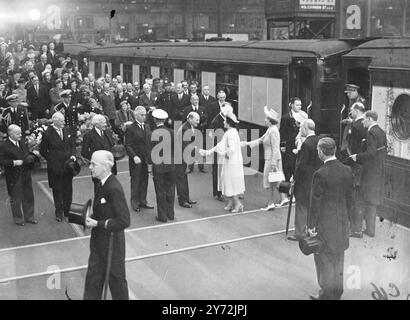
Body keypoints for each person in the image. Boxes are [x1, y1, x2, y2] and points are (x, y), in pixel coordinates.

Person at [307, 137, 354, 300]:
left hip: (325, 225)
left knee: (324, 260)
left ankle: (326, 295)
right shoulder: (347, 170)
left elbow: (316, 203)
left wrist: (311, 226)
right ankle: (337, 293)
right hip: (342, 222)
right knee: (339, 259)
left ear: (321, 151)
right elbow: (351, 199)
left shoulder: (320, 174)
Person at [83, 150, 130, 300]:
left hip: (112, 243)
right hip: (98, 242)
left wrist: (98, 223)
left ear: (105, 167)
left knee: (117, 282)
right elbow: (103, 210)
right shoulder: (100, 183)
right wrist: (91, 217)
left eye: (93, 164)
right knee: (93, 280)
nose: (90, 167)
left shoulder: (113, 187)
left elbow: (124, 220)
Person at [242, 106, 287, 211]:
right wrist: (246, 144)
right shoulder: (270, 130)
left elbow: (276, 148)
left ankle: (272, 202)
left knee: (270, 181)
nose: (265, 120)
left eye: (266, 119)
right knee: (275, 180)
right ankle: (283, 198)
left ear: (270, 121)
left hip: (272, 159)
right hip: (271, 158)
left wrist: (273, 163)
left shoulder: (273, 131)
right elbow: (261, 140)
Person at [199, 109, 245, 212]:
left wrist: (223, 153)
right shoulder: (229, 132)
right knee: (226, 182)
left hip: (232, 163)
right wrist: (208, 152)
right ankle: (231, 202)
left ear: (228, 123)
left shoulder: (232, 133)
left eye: (225, 121)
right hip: (228, 162)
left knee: (230, 182)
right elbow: (220, 145)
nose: (223, 122)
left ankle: (238, 204)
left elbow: (231, 148)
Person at [350, 111, 387, 238]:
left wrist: (357, 157)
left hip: (369, 172)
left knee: (359, 200)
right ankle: (371, 231)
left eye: (364, 119)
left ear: (370, 119)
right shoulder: (381, 131)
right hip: (378, 171)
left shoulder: (371, 132)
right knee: (372, 202)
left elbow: (370, 153)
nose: (362, 122)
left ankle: (357, 231)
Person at [288, 119, 321, 241]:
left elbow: (301, 165)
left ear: (306, 129)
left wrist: (294, 177)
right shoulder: (319, 141)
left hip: (305, 180)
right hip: (316, 178)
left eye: (301, 128)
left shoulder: (307, 144)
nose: (300, 130)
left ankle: (300, 233)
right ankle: (310, 228)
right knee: (312, 205)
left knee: (301, 206)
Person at [39, 112, 77, 222]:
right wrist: (52, 159)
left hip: (68, 165)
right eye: (61, 121)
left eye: (63, 120)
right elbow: (43, 150)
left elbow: (72, 145)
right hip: (55, 167)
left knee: (68, 189)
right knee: (58, 190)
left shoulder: (66, 130)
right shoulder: (47, 133)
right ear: (54, 121)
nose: (64, 122)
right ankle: (59, 212)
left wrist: (73, 155)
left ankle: (67, 210)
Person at [0, 124, 37, 226]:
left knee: (28, 196)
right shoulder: (3, 146)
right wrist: (14, 162)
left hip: (25, 173)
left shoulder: (22, 142)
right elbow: (2, 161)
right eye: (18, 133)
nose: (20, 135)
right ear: (10, 134)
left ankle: (30, 217)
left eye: (20, 132)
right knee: (16, 198)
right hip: (14, 176)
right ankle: (18, 219)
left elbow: (26, 154)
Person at [124, 106, 154, 212]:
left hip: (145, 158)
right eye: (142, 115)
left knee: (145, 180)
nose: (144, 117)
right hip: (136, 159)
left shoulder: (147, 126)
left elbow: (149, 142)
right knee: (136, 180)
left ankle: (143, 201)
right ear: (136, 115)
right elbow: (128, 145)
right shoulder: (131, 128)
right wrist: (134, 156)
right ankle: (135, 203)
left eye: (145, 115)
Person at [344, 102, 367, 238]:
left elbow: (353, 148)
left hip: (355, 165)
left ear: (357, 111)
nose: (350, 112)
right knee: (359, 197)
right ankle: (358, 227)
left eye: (351, 110)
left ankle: (355, 229)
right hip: (365, 166)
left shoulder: (357, 127)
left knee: (353, 198)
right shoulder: (365, 124)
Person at [279, 97, 308, 205]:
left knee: (296, 171)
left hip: (299, 146)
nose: (299, 107)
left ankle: (294, 194)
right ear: (291, 105)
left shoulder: (303, 117)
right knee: (286, 171)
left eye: (300, 105)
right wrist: (282, 146)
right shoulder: (286, 117)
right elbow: (282, 133)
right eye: (297, 105)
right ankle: (284, 196)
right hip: (289, 147)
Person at [151, 108, 176, 222]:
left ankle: (162, 216)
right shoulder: (172, 132)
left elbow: (149, 152)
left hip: (158, 166)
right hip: (170, 165)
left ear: (155, 120)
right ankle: (171, 213)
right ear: (165, 120)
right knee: (170, 189)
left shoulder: (152, 134)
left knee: (160, 191)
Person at [81, 114, 118, 193]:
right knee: (100, 191)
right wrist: (96, 159)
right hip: (98, 168)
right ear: (97, 124)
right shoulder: (89, 135)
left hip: (110, 167)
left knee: (111, 190)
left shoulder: (108, 132)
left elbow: (112, 146)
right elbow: (84, 152)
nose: (105, 124)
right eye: (103, 123)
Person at [175, 111, 199, 208]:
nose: (198, 121)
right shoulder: (185, 128)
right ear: (190, 119)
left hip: (183, 155)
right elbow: (186, 146)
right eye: (196, 120)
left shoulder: (189, 126)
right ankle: (182, 200)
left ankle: (186, 198)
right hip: (180, 156)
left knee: (184, 178)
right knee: (181, 178)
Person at [182, 94, 207, 173]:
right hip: (190, 133)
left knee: (200, 149)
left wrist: (201, 125)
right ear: (191, 101)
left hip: (199, 132)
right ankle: (190, 167)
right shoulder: (186, 109)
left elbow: (206, 120)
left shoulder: (203, 108)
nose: (196, 101)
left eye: (197, 100)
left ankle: (201, 167)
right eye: (194, 100)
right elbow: (184, 121)